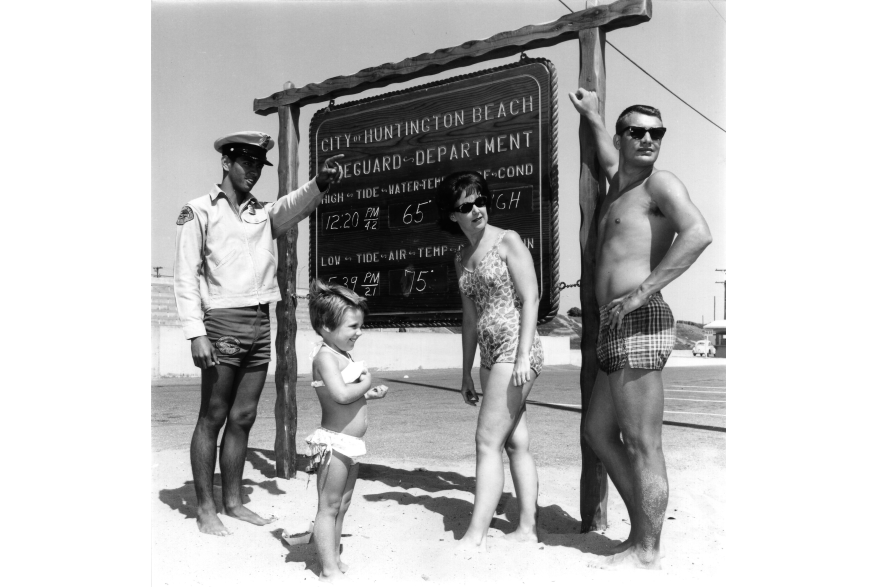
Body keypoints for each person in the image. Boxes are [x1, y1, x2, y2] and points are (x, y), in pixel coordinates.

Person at [568, 89, 712, 569]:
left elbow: (698, 233)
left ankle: (647, 550)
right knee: (598, 431)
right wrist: (591, 113)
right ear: (621, 138)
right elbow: (610, 158)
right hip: (613, 324)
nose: (649, 139)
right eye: (638, 132)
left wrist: (643, 291)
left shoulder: (660, 185)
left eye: (657, 133)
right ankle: (641, 533)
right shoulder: (617, 184)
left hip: (639, 317)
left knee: (643, 441)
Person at [173, 131, 344, 536]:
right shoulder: (198, 211)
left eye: (258, 165)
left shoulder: (261, 214)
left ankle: (233, 502)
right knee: (213, 414)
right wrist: (195, 333)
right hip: (221, 322)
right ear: (226, 162)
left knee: (244, 416)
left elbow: (292, 206)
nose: (253, 171)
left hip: (258, 322)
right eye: (246, 162)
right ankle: (205, 508)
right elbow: (185, 275)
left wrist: (320, 182)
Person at [435, 171, 544, 554]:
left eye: (481, 200)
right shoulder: (460, 257)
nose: (477, 209)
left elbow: (532, 298)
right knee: (515, 442)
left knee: (486, 442)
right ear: (453, 216)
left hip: (515, 349)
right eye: (466, 206)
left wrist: (523, 354)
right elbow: (469, 319)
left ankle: (475, 536)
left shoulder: (507, 241)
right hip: (488, 355)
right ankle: (528, 528)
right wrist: (465, 371)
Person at [306, 278, 388, 583]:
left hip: (352, 444)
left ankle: (335, 557)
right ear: (327, 326)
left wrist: (368, 394)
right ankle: (327, 567)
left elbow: (345, 397)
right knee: (328, 505)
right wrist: (366, 382)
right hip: (335, 443)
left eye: (359, 325)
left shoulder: (344, 356)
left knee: (342, 504)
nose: (359, 332)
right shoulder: (325, 357)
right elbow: (341, 396)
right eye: (352, 327)